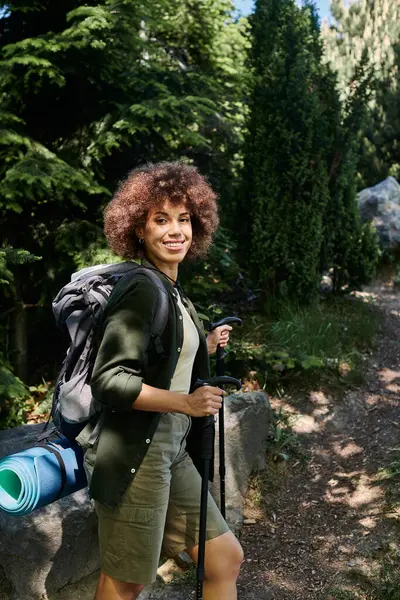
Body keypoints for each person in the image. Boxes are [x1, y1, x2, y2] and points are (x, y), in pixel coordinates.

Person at [84, 162, 244, 600]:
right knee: (126, 582)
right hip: (138, 450)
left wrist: (204, 346)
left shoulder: (172, 290)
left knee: (223, 557)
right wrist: (187, 404)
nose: (176, 230)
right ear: (138, 228)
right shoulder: (141, 287)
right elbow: (110, 380)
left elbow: (166, 358)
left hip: (170, 447)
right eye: (161, 219)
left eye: (184, 219)